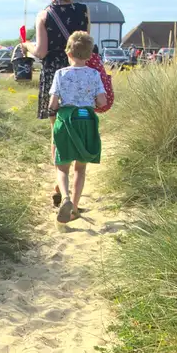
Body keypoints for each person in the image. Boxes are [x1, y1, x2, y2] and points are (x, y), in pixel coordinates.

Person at [31, 0, 90, 209]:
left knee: (58, 131)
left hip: (54, 74)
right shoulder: (82, 10)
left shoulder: (44, 15)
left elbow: (41, 52)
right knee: (81, 123)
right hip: (82, 76)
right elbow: (87, 45)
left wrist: (26, 46)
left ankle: (59, 183)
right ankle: (69, 189)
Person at [46, 31, 108, 222]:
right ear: (90, 55)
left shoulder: (61, 74)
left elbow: (53, 104)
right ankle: (74, 207)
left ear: (68, 53)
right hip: (86, 120)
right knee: (80, 168)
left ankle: (64, 197)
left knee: (62, 167)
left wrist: (54, 113)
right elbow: (102, 101)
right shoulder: (94, 74)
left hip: (66, 119)